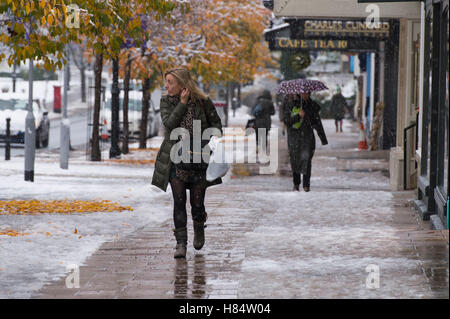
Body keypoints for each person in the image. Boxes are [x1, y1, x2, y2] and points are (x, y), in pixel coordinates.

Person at [151, 68, 223, 259]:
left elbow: (216, 125)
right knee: (179, 200)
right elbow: (168, 124)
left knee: (197, 203)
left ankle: (199, 226)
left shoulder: (202, 101)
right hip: (176, 158)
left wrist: (213, 140)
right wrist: (181, 104)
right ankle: (181, 243)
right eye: (166, 81)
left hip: (199, 157)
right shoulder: (166, 101)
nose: (166, 86)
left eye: (170, 82)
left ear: (182, 84)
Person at [282, 92, 327, 192]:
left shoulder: (312, 106)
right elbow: (287, 121)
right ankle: (296, 184)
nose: (305, 95)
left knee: (307, 160)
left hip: (307, 137)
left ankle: (306, 185)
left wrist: (323, 138)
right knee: (295, 160)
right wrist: (298, 116)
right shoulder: (291, 105)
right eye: (303, 93)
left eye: (307, 93)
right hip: (294, 137)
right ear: (299, 93)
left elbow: (317, 123)